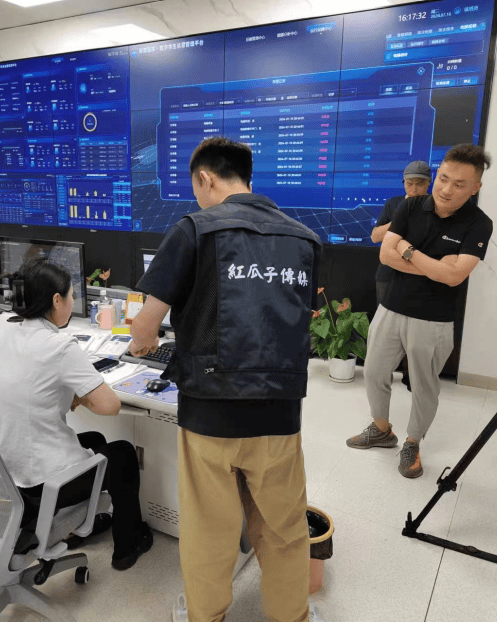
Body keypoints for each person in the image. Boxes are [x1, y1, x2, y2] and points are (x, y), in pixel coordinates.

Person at [129, 137, 327, 622]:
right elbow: (300, 318)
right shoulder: (304, 238)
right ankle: (291, 616)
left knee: (209, 530)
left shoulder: (194, 229)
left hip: (209, 413)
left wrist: (142, 345)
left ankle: (207, 615)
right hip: (279, 414)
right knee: (283, 527)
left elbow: (146, 324)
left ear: (205, 178)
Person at [0, 258, 152, 570]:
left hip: (11, 473)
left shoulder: (7, 335)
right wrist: (82, 396)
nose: (73, 300)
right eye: (72, 295)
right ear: (57, 300)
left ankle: (77, 528)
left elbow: (33, 391)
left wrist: (71, 395)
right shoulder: (60, 346)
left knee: (94, 439)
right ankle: (127, 546)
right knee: (122, 454)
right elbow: (110, 406)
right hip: (44, 484)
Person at [346, 145, 493, 479]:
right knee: (374, 372)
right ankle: (381, 429)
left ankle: (412, 443)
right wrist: (437, 267)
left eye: (459, 184)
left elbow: (455, 276)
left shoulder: (479, 223)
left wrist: (408, 250)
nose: (447, 189)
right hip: (391, 307)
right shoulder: (411, 206)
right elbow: (386, 254)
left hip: (434, 319)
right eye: (443, 178)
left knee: (424, 387)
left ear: (475, 187)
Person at [370, 160, 433, 392]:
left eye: (419, 184)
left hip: (419, 275)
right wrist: (399, 217)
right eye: (409, 183)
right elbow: (375, 236)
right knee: (385, 328)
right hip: (388, 275)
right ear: (403, 183)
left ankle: (411, 375)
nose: (414, 189)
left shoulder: (435, 206)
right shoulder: (394, 204)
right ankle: (381, 373)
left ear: (429, 183)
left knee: (416, 331)